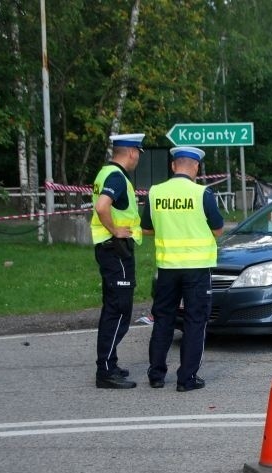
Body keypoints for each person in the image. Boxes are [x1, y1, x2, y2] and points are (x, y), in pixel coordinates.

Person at [141, 146, 225, 392]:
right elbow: (218, 229)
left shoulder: (156, 192)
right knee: (195, 321)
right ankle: (186, 378)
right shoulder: (202, 194)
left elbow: (147, 228)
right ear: (196, 168)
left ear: (173, 166)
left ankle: (156, 375)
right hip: (197, 269)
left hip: (167, 267)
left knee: (163, 320)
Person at [90, 133, 144, 389]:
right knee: (119, 310)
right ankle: (105, 371)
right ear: (132, 152)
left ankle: (109, 363)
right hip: (116, 250)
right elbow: (102, 207)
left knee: (113, 307)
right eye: (138, 154)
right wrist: (116, 230)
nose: (138, 159)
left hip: (110, 250)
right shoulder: (116, 177)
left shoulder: (105, 173)